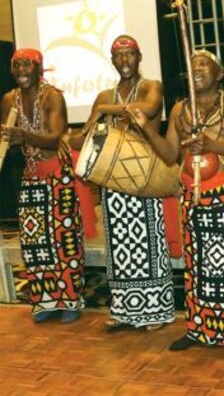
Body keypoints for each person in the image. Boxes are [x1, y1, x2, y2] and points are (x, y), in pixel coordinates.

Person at [130, 50, 224, 356]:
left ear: (219, 74)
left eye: (205, 64)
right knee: (197, 268)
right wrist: (147, 128)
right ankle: (199, 328)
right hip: (194, 199)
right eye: (192, 65)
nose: (197, 68)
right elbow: (170, 154)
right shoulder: (180, 110)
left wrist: (212, 144)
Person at [65, 35, 176, 332]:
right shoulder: (105, 95)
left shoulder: (151, 87)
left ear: (139, 57)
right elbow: (86, 136)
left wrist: (106, 110)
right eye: (118, 55)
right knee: (119, 247)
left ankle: (155, 311)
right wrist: (71, 139)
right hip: (112, 183)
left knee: (149, 245)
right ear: (112, 60)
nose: (124, 60)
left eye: (130, 54)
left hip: (145, 178)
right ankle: (124, 309)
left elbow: (148, 109)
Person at [0, 48, 94, 323]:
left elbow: (54, 138)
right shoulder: (9, 99)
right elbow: (9, 141)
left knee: (64, 240)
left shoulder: (53, 96)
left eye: (27, 65)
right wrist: (9, 141)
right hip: (30, 174)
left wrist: (23, 136)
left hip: (58, 174)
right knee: (35, 241)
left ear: (39, 68)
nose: (21, 71)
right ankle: (45, 301)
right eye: (16, 65)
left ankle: (70, 300)